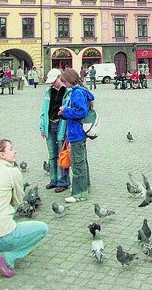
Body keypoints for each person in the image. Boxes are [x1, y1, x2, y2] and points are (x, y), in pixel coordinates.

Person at [0, 139, 48, 278]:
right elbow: (18, 201)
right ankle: (7, 257)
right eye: (11, 149)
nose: (15, 151)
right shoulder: (12, 172)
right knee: (42, 229)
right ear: (1, 154)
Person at [58, 68, 95, 203]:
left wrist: (65, 110)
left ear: (69, 80)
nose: (64, 84)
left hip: (77, 133)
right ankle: (85, 186)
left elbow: (81, 112)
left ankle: (79, 193)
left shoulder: (77, 93)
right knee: (82, 161)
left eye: (65, 82)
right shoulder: (80, 91)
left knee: (78, 164)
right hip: (78, 133)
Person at [39, 68, 71, 193]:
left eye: (54, 81)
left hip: (62, 125)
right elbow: (43, 111)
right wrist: (42, 127)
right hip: (50, 125)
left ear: (60, 77)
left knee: (61, 154)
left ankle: (63, 181)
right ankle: (53, 180)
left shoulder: (67, 92)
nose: (52, 83)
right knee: (52, 155)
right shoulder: (48, 92)